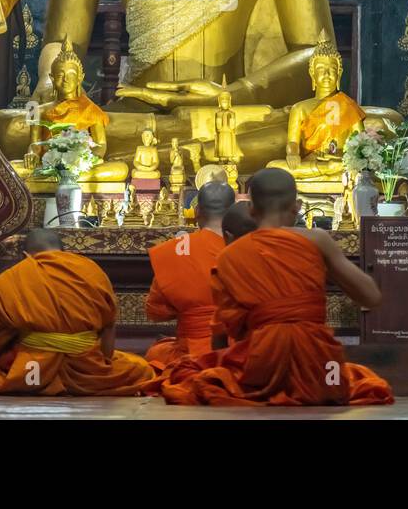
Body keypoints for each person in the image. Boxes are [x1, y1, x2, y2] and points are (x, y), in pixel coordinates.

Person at [155, 168, 393, 405]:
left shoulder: (231, 255)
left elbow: (231, 329)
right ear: (298, 206)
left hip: (260, 364)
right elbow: (371, 297)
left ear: (251, 209)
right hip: (319, 363)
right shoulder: (317, 240)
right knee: (354, 379)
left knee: (201, 375)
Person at [0, 229, 154, 396]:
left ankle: (36, 381)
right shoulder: (90, 270)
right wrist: (103, 363)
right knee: (141, 368)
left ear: (26, 255)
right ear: (64, 252)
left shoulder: (14, 277)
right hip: (86, 368)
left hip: (30, 369)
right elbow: (109, 327)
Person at [144, 181, 233, 365]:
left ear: (197, 211)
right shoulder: (246, 246)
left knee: (156, 354)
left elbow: (156, 311)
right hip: (238, 350)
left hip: (191, 351)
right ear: (233, 212)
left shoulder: (177, 249)